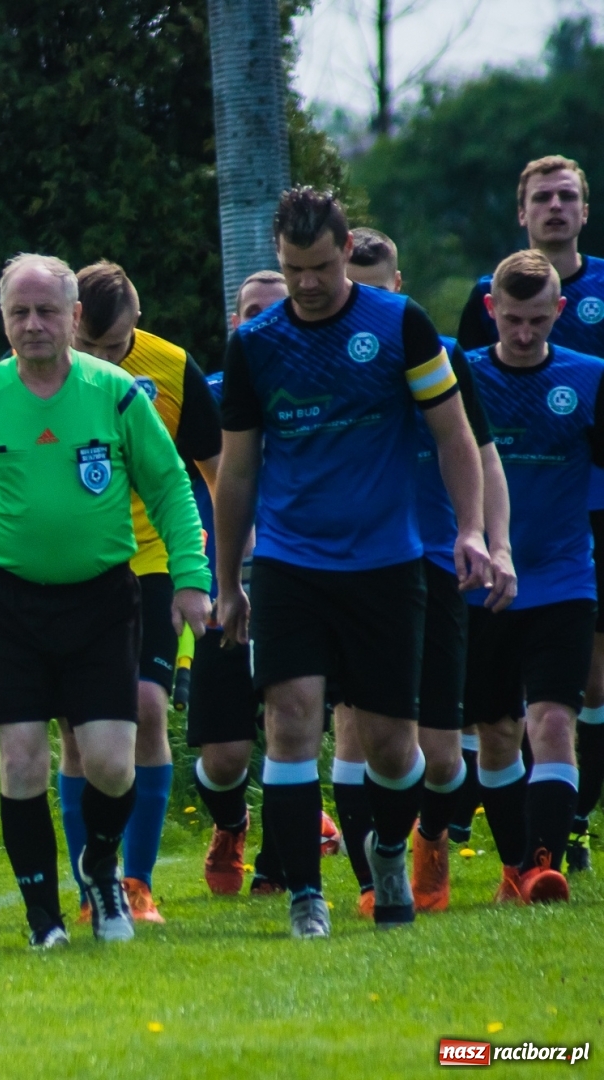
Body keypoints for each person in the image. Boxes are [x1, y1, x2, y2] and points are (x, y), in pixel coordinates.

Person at [0, 254, 209, 946]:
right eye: (20, 312)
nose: (34, 324)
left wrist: (191, 577)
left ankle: (100, 867)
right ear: (4, 319)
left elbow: (169, 488)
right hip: (6, 605)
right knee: (21, 762)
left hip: (102, 600)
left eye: (48, 311)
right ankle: (44, 918)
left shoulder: (118, 395)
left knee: (109, 762)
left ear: (74, 317)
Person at [214, 187, 492, 937]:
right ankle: (307, 893)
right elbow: (237, 471)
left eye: (323, 267)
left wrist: (471, 531)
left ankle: (392, 846)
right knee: (291, 719)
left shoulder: (400, 324)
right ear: (279, 258)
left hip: (386, 563)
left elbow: (454, 437)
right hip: (290, 562)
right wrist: (227, 580)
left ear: (346, 254)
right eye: (294, 268)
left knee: (393, 748)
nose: (308, 283)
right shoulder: (255, 344)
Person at [329, 228, 513, 918]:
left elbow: (484, 454)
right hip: (354, 566)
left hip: (433, 563)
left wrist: (497, 545)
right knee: (356, 729)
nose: (365, 301)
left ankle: (430, 835)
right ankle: (375, 879)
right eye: (356, 286)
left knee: (439, 755)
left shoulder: (438, 355)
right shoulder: (320, 356)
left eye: (378, 288)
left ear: (399, 288)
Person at [57, 261, 222, 923]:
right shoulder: (36, 371)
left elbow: (215, 473)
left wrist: (218, 567)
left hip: (148, 558)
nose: (102, 361)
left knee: (148, 710)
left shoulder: (174, 370)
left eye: (115, 347)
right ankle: (87, 888)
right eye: (89, 348)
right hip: (72, 567)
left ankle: (137, 882)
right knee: (75, 732)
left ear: (138, 321)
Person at [458, 156, 604, 874]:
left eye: (536, 320)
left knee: (552, 721)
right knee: (494, 731)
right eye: (511, 320)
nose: (523, 333)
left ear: (559, 312)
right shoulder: (463, 376)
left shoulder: (589, 378)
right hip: (488, 578)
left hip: (565, 576)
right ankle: (516, 864)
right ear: (491, 310)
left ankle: (545, 863)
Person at [188, 270, 287, 897]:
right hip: (224, 583)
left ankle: (281, 863)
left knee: (289, 722)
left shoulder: (323, 384)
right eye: (250, 311)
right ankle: (231, 822)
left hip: (298, 579)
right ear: (234, 321)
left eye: (272, 312)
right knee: (224, 758)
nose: (260, 322)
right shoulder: (210, 392)